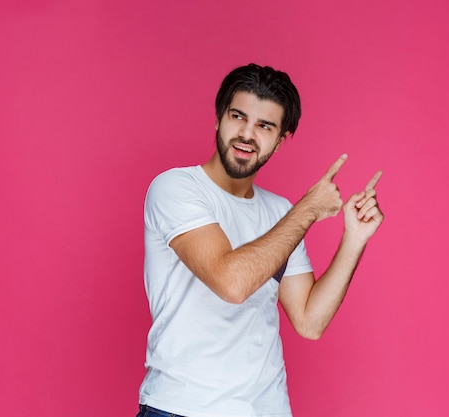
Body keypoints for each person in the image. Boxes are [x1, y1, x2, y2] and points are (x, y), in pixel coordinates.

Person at [137, 63, 384, 417]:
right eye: (238, 116)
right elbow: (231, 283)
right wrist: (309, 211)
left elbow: (309, 322)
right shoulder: (175, 188)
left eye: (264, 126)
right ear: (219, 119)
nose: (246, 134)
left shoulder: (280, 211)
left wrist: (354, 239)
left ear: (280, 141)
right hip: (182, 408)